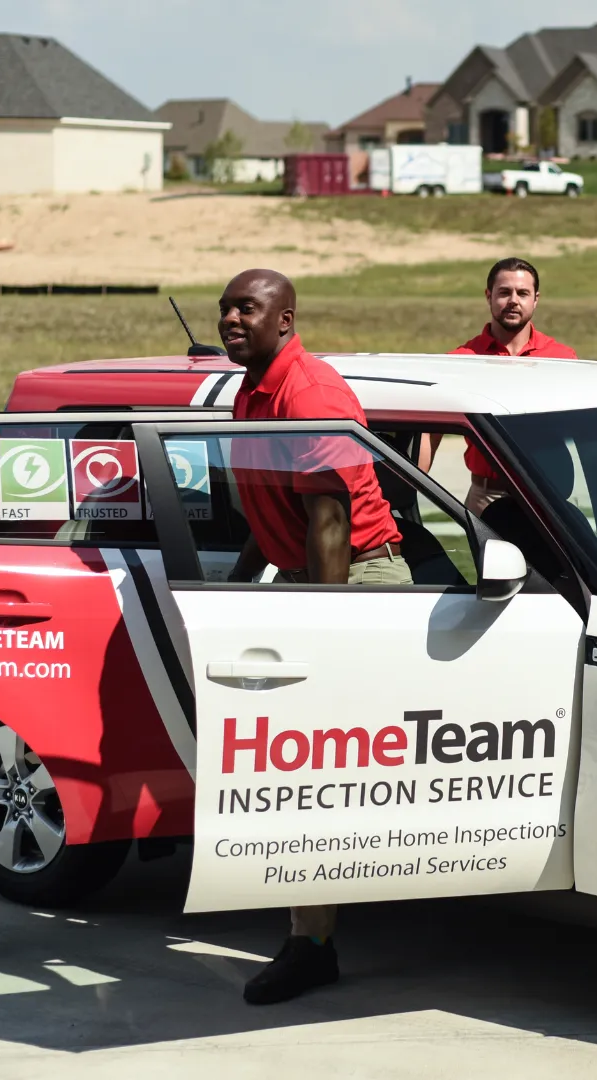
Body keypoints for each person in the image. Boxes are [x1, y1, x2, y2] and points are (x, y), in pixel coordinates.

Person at [215, 268, 411, 1005]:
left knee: (313, 775)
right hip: (312, 579)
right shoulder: (251, 392)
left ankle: (312, 944)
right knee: (306, 778)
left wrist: (321, 632)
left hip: (355, 581)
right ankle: (313, 936)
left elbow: (330, 522)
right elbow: (275, 519)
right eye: (227, 308)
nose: (233, 319)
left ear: (285, 319)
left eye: (248, 309)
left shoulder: (309, 393)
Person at [443, 257, 576, 514]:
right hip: (487, 497)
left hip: (548, 494)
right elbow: (429, 435)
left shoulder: (563, 359)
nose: (513, 300)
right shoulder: (461, 361)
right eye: (504, 292)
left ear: (535, 299)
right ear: (489, 296)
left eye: (522, 293)